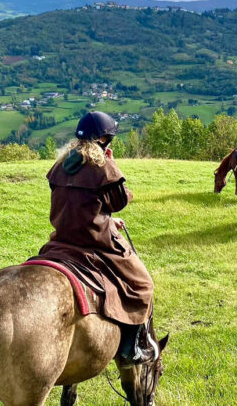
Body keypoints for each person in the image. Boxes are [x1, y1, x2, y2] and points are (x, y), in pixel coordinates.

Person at [34, 111, 157, 366]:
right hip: (93, 242)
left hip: (62, 239)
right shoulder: (102, 165)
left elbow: (77, 204)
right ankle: (129, 348)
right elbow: (120, 200)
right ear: (103, 139)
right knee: (144, 286)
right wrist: (113, 165)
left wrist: (107, 219)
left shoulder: (60, 164)